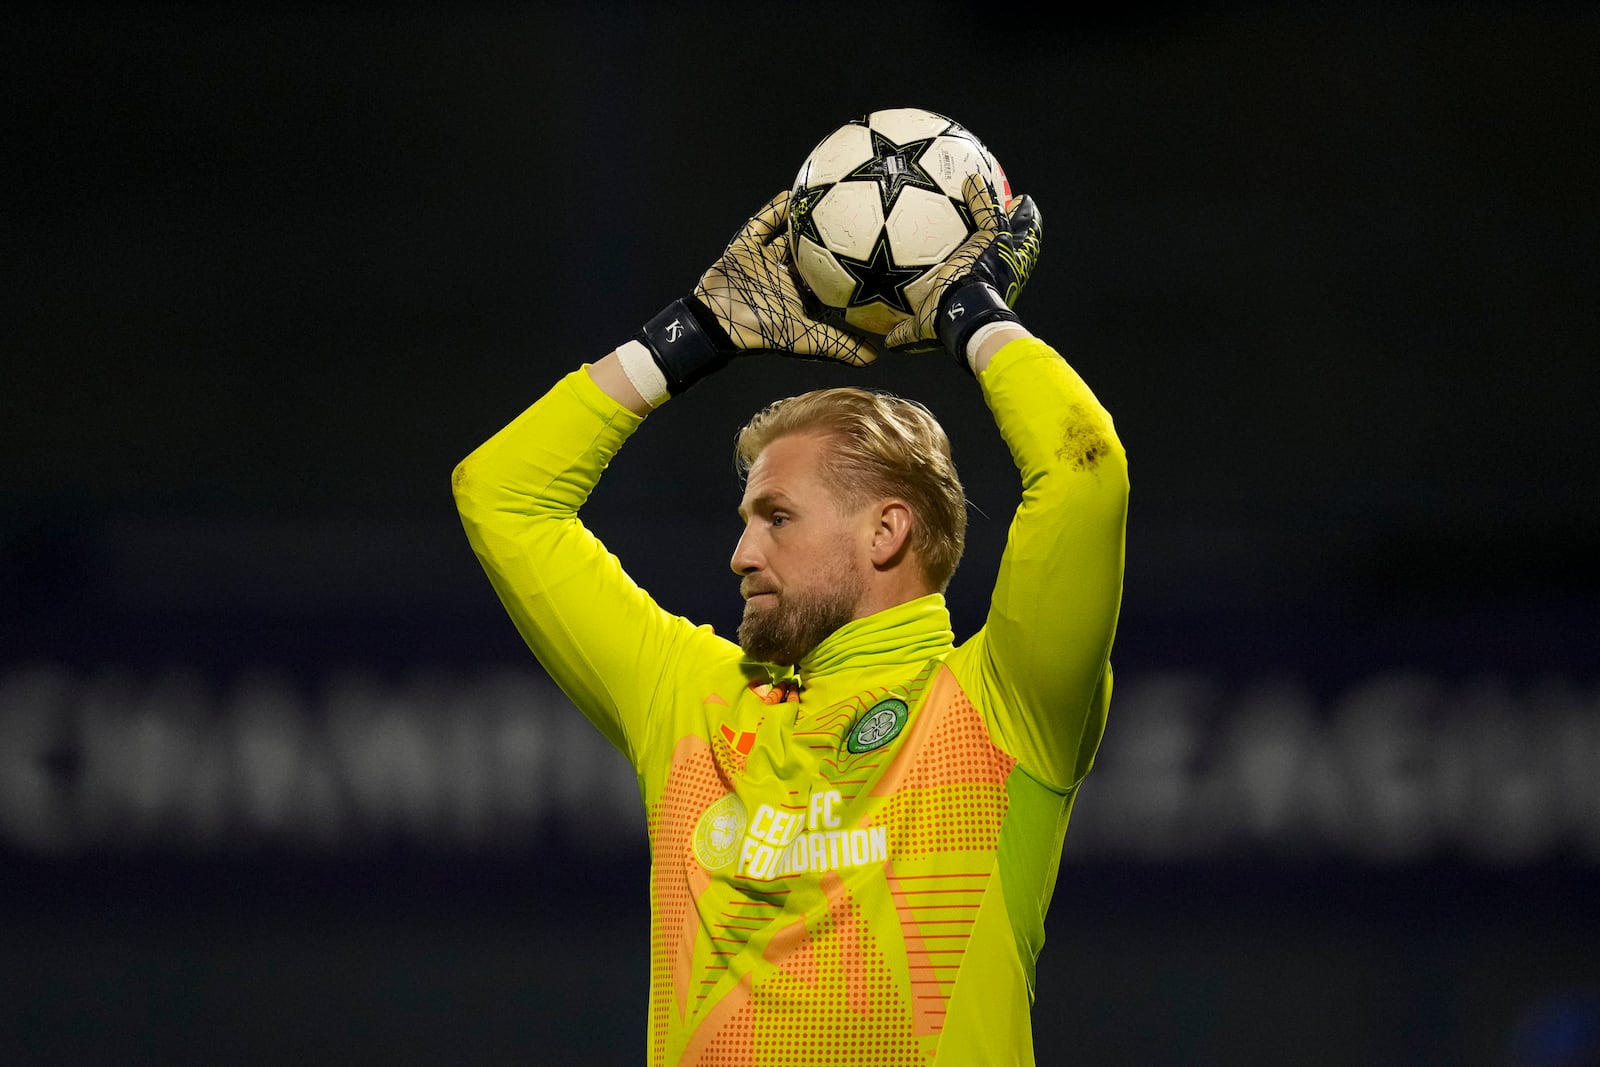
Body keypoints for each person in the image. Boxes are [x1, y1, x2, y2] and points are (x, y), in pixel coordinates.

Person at [453, 171, 1128, 1066]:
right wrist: (687, 337)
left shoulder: (1000, 709)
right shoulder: (692, 700)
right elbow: (501, 496)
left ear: (888, 529)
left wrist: (973, 313)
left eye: (776, 517)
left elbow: (1085, 476)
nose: (740, 555)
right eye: (744, 523)